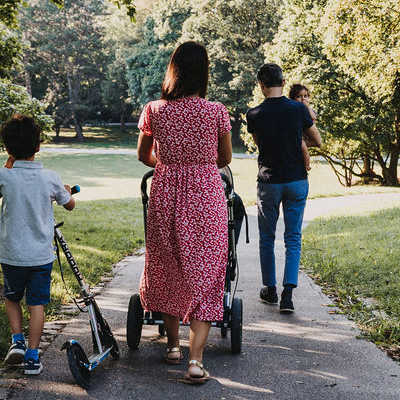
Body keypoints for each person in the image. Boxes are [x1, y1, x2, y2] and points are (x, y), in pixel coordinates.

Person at [137, 41, 232, 384]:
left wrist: (168, 164)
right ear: (203, 73)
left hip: (165, 193)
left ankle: (173, 346)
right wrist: (198, 164)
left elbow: (143, 155)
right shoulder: (216, 111)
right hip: (206, 197)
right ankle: (195, 361)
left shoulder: (154, 110)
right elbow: (225, 158)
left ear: (173, 70)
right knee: (206, 273)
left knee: (168, 266)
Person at [0, 114, 75, 375]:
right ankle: (32, 356)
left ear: (7, 148)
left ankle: (17, 341)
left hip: (11, 254)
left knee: (11, 297)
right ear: (38, 145)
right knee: (37, 305)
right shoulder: (50, 178)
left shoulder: (4, 176)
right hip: (40, 256)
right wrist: (66, 191)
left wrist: (9, 164)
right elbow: (70, 204)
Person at [246, 64, 321, 313]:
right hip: (296, 180)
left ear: (261, 85)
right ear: (283, 81)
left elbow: (261, 144)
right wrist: (297, 139)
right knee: (293, 237)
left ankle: (270, 290)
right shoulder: (299, 109)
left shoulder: (254, 114)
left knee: (267, 237)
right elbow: (317, 140)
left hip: (269, 182)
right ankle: (288, 295)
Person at [289, 84, 318, 171]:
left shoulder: (309, 109)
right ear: (293, 99)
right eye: (299, 96)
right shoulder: (293, 109)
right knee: (303, 147)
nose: (303, 99)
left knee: (303, 147)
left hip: (307, 134)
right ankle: (307, 164)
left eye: (305, 96)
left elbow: (313, 117)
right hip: (298, 135)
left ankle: (306, 164)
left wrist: (307, 107)